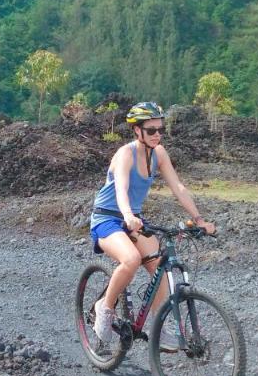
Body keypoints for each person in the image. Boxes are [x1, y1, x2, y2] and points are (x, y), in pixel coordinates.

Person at [90, 101, 215, 348]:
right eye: (151, 130)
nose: (157, 134)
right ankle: (103, 308)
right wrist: (127, 215)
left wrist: (199, 220)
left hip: (132, 219)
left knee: (160, 266)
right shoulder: (125, 153)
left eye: (160, 129)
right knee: (131, 260)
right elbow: (122, 190)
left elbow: (178, 187)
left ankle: (160, 326)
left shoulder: (159, 154)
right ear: (137, 131)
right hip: (108, 217)